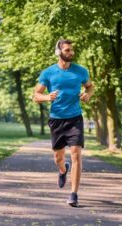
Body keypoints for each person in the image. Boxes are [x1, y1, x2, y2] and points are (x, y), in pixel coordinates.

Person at [33, 39, 94, 207]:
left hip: (75, 118)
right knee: (58, 158)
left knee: (76, 154)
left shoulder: (81, 71)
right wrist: (47, 97)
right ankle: (62, 170)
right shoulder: (48, 73)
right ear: (58, 52)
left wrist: (88, 94)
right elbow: (35, 96)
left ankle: (74, 194)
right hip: (57, 119)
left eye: (71, 50)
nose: (71, 53)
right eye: (67, 50)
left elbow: (90, 86)